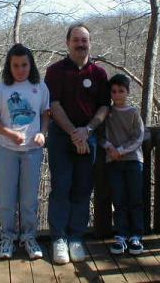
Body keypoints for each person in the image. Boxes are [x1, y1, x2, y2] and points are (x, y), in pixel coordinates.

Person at [45, 23, 110, 264]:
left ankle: (75, 238)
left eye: (84, 40)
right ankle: (59, 239)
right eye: (76, 40)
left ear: (89, 43)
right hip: (62, 137)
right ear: (67, 43)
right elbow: (54, 105)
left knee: (83, 189)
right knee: (61, 187)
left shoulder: (99, 74)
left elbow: (104, 106)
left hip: (88, 137)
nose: (80, 44)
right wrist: (74, 132)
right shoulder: (55, 71)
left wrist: (88, 130)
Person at [0, 43, 50, 260]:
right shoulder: (2, 89)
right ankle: (7, 238)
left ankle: (29, 237)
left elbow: (45, 114)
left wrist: (42, 132)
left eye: (24, 65)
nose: (21, 69)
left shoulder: (40, 86)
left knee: (29, 198)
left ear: (31, 65)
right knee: (6, 198)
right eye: (16, 65)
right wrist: (10, 134)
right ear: (9, 66)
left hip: (33, 151)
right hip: (6, 150)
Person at [99, 73, 145, 255]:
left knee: (135, 199)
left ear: (127, 92)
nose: (117, 95)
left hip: (133, 160)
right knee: (118, 200)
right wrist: (111, 148)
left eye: (121, 91)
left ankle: (136, 235)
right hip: (113, 161)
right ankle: (121, 234)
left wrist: (122, 150)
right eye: (114, 91)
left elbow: (139, 136)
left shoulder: (133, 113)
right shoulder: (107, 113)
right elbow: (100, 135)